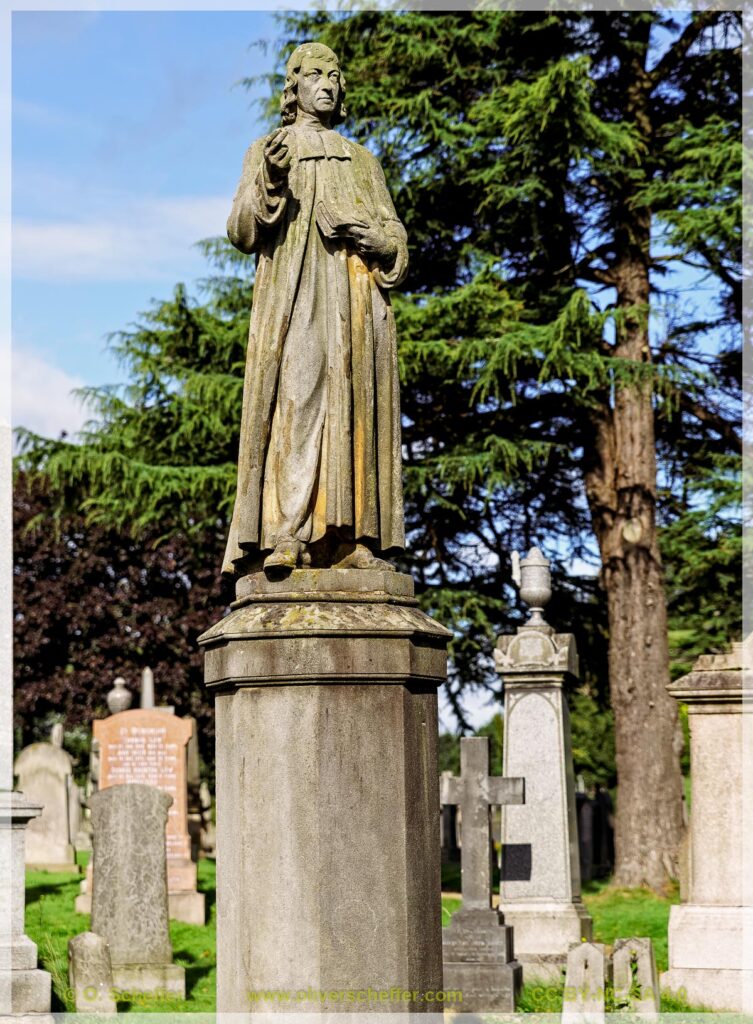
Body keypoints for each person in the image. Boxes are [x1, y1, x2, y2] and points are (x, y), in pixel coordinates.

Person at [223, 42, 408, 575]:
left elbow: (395, 235)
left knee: (358, 410)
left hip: (357, 305)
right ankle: (287, 534)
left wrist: (376, 239)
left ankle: (352, 543)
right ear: (294, 87)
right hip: (297, 299)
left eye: (334, 76)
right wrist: (271, 181)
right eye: (315, 75)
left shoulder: (362, 160)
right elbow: (241, 230)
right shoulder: (268, 149)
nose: (326, 84)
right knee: (298, 401)